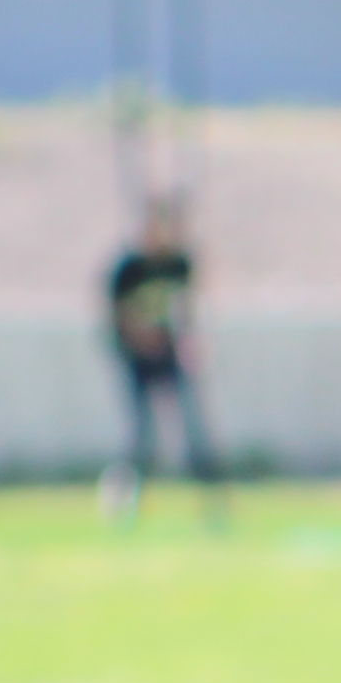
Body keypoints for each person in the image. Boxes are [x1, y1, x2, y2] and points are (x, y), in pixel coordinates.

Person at [104, 197, 216, 524]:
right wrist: (143, 340)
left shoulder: (179, 264)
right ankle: (126, 501)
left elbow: (187, 310)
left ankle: (212, 502)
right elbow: (119, 318)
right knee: (142, 435)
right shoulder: (129, 269)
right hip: (137, 359)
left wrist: (190, 344)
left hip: (170, 354)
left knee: (194, 428)